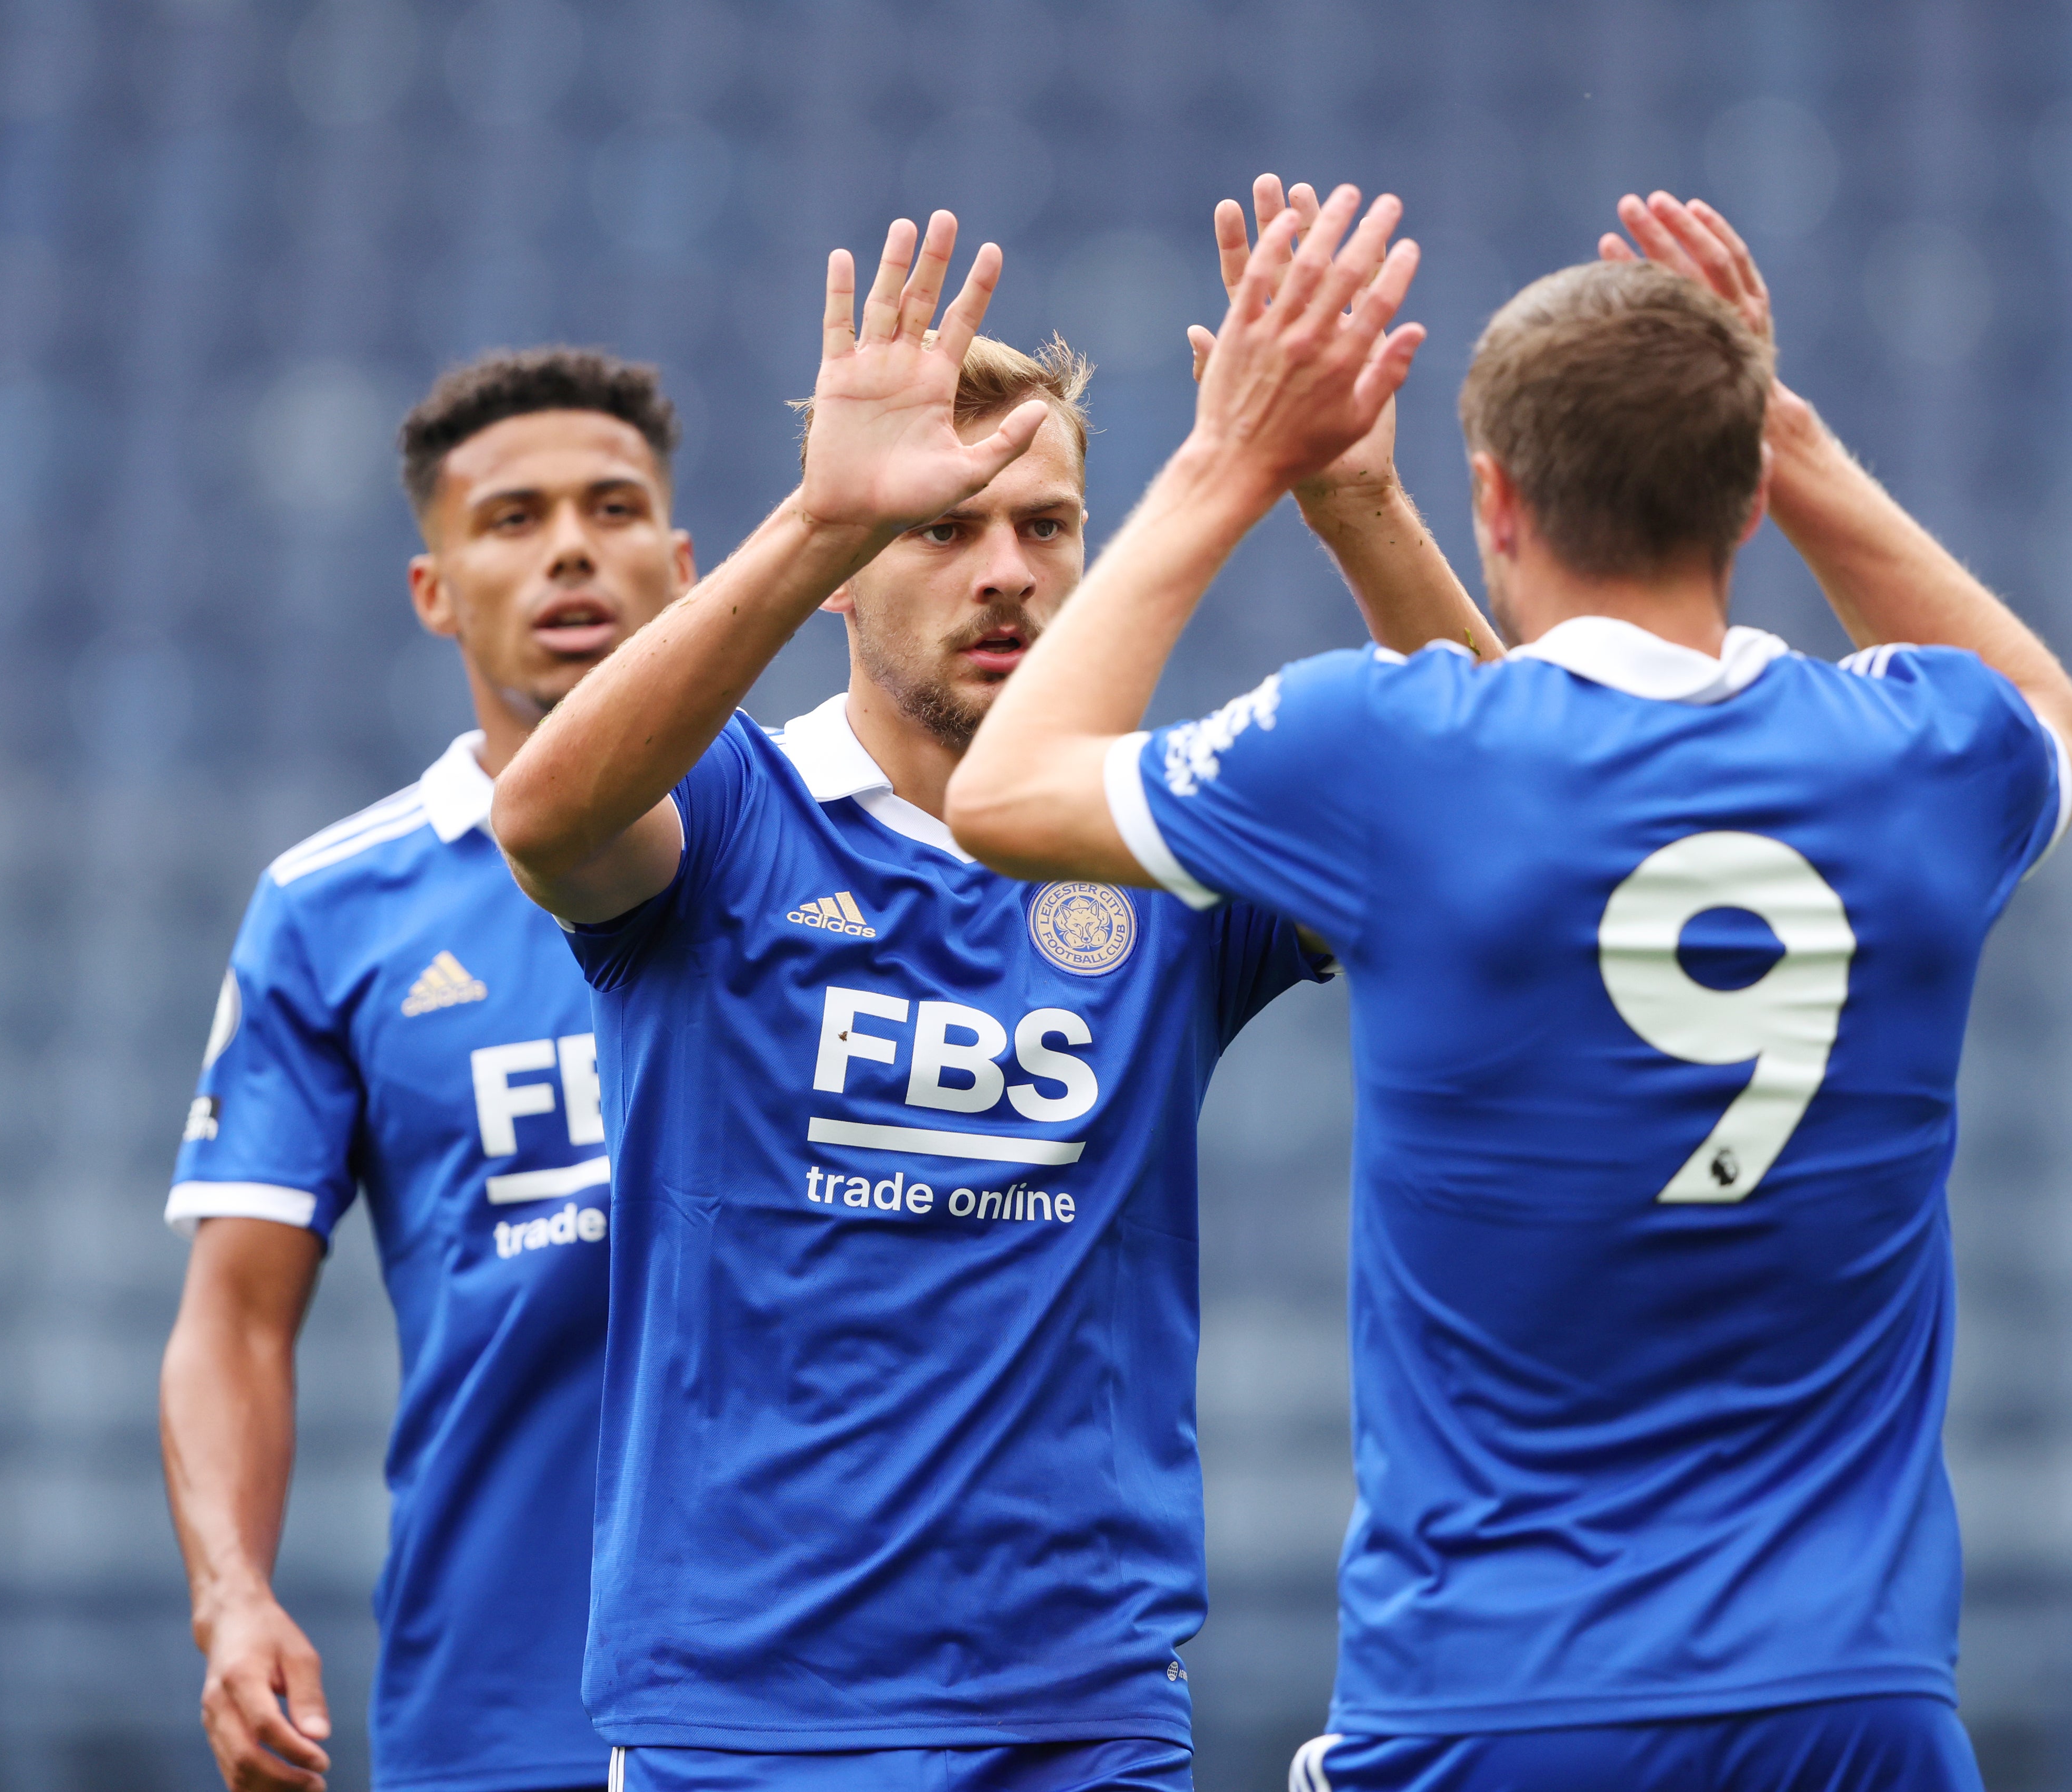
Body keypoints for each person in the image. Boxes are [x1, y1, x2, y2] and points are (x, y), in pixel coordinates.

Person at [948, 187, 2072, 1792]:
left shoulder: (1389, 749)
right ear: (1750, 494)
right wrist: (1798, 443)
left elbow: (1005, 799)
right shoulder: (1924, 757)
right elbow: (2051, 707)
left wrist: (1233, 459)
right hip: (1856, 1709)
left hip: (1492, 1697)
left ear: (1490, 500)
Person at [486, 196, 1469, 1792]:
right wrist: (820, 515)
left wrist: (1356, 503)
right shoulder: (733, 810)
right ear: (847, 571)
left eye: (1047, 527)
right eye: (942, 530)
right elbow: (542, 821)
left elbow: (1519, 838)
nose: (1006, 572)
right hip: (742, 1714)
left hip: (1076, 1709)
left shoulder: (1162, 830)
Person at [160, 349, 697, 1792]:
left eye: (614, 506)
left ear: (686, 561)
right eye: (512, 519)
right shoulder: (335, 907)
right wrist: (234, 1594)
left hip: (831, 1703)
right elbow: (235, 1317)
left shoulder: (830, 848)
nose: (573, 545)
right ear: (433, 589)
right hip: (498, 1710)